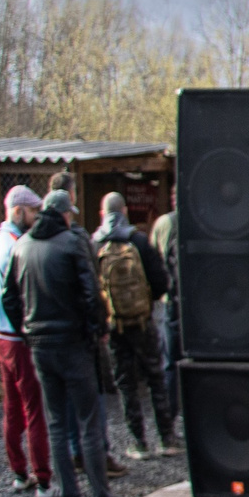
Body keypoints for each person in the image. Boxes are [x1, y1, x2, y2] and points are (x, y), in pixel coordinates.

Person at [2, 188, 120, 497]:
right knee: (89, 423)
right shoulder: (71, 244)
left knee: (55, 423)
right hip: (73, 345)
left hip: (40, 347)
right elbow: (90, 294)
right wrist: (96, 331)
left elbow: (9, 298)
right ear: (63, 214)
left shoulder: (20, 247)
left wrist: (26, 331)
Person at [94, 192, 177, 458]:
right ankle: (166, 438)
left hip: (115, 325)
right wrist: (146, 301)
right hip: (143, 322)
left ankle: (138, 442)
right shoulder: (139, 241)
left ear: (102, 214)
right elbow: (162, 281)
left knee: (126, 383)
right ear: (126, 211)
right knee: (155, 376)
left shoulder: (94, 244)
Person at [0, 185, 50, 496]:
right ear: (19, 211)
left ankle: (19, 470)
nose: (36, 217)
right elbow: (21, 295)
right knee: (34, 408)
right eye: (33, 211)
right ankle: (43, 476)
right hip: (20, 338)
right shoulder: (17, 245)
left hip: (1, 337)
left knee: (11, 407)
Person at [149, 191, 181, 403]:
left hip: (169, 300)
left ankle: (169, 414)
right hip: (198, 301)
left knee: (169, 360)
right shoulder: (202, 221)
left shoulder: (163, 223)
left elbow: (153, 257)